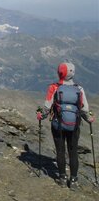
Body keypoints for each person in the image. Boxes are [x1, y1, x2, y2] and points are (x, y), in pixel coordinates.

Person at [37, 62, 95, 190]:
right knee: (73, 152)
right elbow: (84, 109)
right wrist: (89, 119)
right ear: (72, 73)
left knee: (60, 151)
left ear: (60, 73)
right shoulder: (79, 89)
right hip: (74, 126)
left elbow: (47, 107)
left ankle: (62, 178)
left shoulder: (54, 87)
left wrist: (41, 116)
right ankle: (73, 180)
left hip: (58, 125)